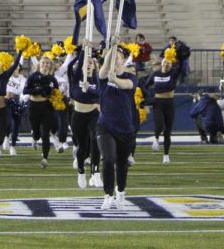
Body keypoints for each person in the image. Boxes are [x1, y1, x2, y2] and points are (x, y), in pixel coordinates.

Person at [96, 43, 137, 209]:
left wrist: (116, 80)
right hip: (105, 126)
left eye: (117, 58)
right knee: (108, 158)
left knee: (122, 163)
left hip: (125, 128)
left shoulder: (131, 77)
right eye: (111, 59)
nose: (113, 61)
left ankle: (121, 191)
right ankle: (108, 194)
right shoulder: (103, 77)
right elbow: (105, 67)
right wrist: (113, 45)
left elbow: (127, 85)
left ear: (123, 61)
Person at [68, 46, 101, 188]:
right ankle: (81, 172)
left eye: (91, 62)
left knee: (95, 140)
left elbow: (100, 94)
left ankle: (96, 173)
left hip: (94, 114)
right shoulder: (75, 78)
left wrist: (90, 89)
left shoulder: (97, 79)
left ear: (94, 66)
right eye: (85, 62)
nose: (88, 64)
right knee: (82, 145)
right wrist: (83, 52)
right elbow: (70, 66)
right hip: (78, 115)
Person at [23, 56, 60, 168]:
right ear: (39, 64)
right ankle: (34, 138)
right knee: (37, 133)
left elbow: (57, 93)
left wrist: (56, 99)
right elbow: (25, 91)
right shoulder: (33, 76)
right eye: (43, 63)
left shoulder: (52, 79)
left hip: (47, 107)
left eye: (47, 63)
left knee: (45, 134)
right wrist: (38, 90)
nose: (45, 65)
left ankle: (45, 158)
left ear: (50, 66)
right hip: (33, 106)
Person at [146, 55, 181, 163]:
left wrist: (180, 56)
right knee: (159, 125)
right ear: (161, 63)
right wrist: (149, 97)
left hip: (169, 103)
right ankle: (156, 138)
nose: (166, 64)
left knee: (167, 131)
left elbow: (181, 67)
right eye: (164, 62)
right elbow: (146, 85)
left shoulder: (173, 74)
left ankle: (166, 155)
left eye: (168, 63)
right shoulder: (155, 74)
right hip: (157, 103)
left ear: (171, 65)